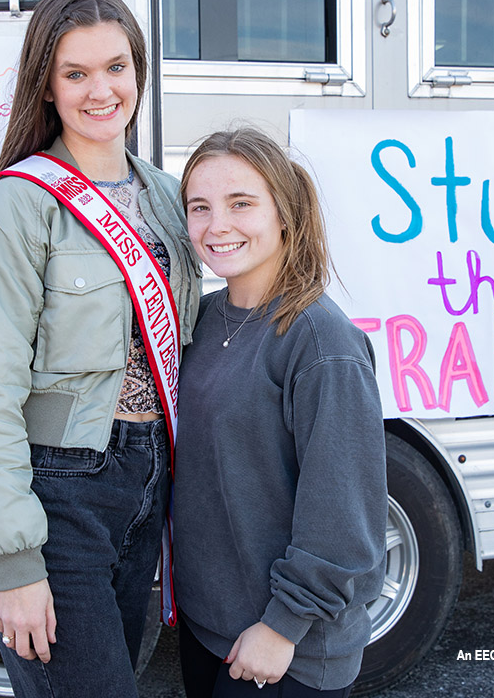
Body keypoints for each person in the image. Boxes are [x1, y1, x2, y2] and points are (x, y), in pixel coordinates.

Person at [0, 0, 200, 698]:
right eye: (76, 73)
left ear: (138, 73)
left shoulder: (165, 196)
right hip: (59, 491)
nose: (101, 90)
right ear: (48, 86)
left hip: (149, 485)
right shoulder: (13, 208)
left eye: (116, 67)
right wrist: (15, 560)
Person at [174, 127, 387, 697]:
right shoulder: (200, 319)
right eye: (200, 207)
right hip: (208, 630)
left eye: (241, 203)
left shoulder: (320, 341)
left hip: (283, 650)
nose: (217, 225)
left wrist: (282, 625)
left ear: (285, 214)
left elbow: (345, 518)